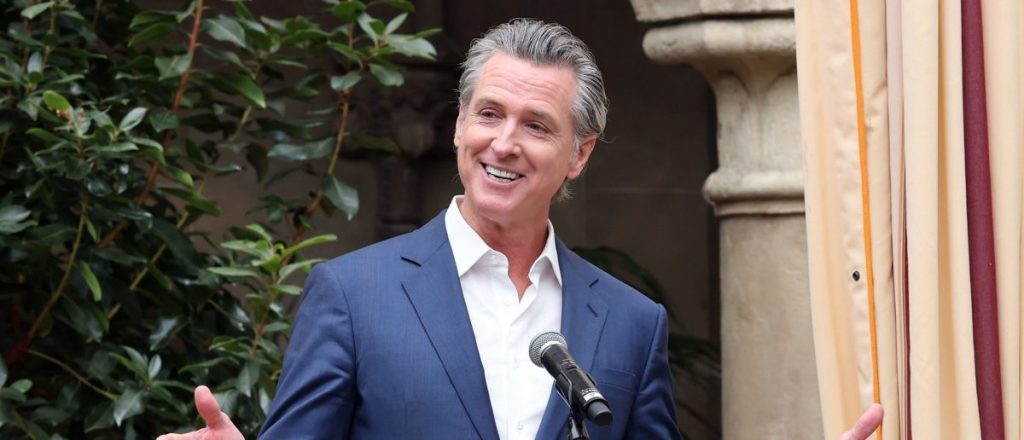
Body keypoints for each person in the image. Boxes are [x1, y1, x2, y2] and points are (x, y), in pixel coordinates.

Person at [157, 19, 884, 440]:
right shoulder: (351, 295)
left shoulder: (633, 323)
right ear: (459, 126)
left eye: (537, 125)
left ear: (579, 154)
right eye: (489, 114)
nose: (503, 143)